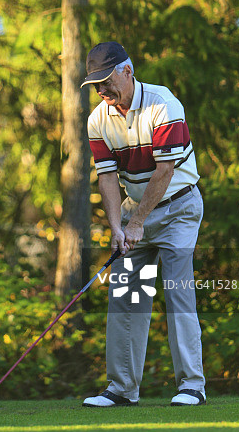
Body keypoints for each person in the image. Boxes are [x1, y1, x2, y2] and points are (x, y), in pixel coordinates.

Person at [81, 41, 206, 407]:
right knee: (126, 296)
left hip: (179, 208)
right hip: (136, 211)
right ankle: (121, 388)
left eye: (106, 81)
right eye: (95, 86)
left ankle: (191, 386)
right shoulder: (98, 120)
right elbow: (106, 177)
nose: (102, 91)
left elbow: (165, 171)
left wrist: (136, 223)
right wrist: (118, 227)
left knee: (177, 291)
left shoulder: (163, 105)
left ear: (128, 72)